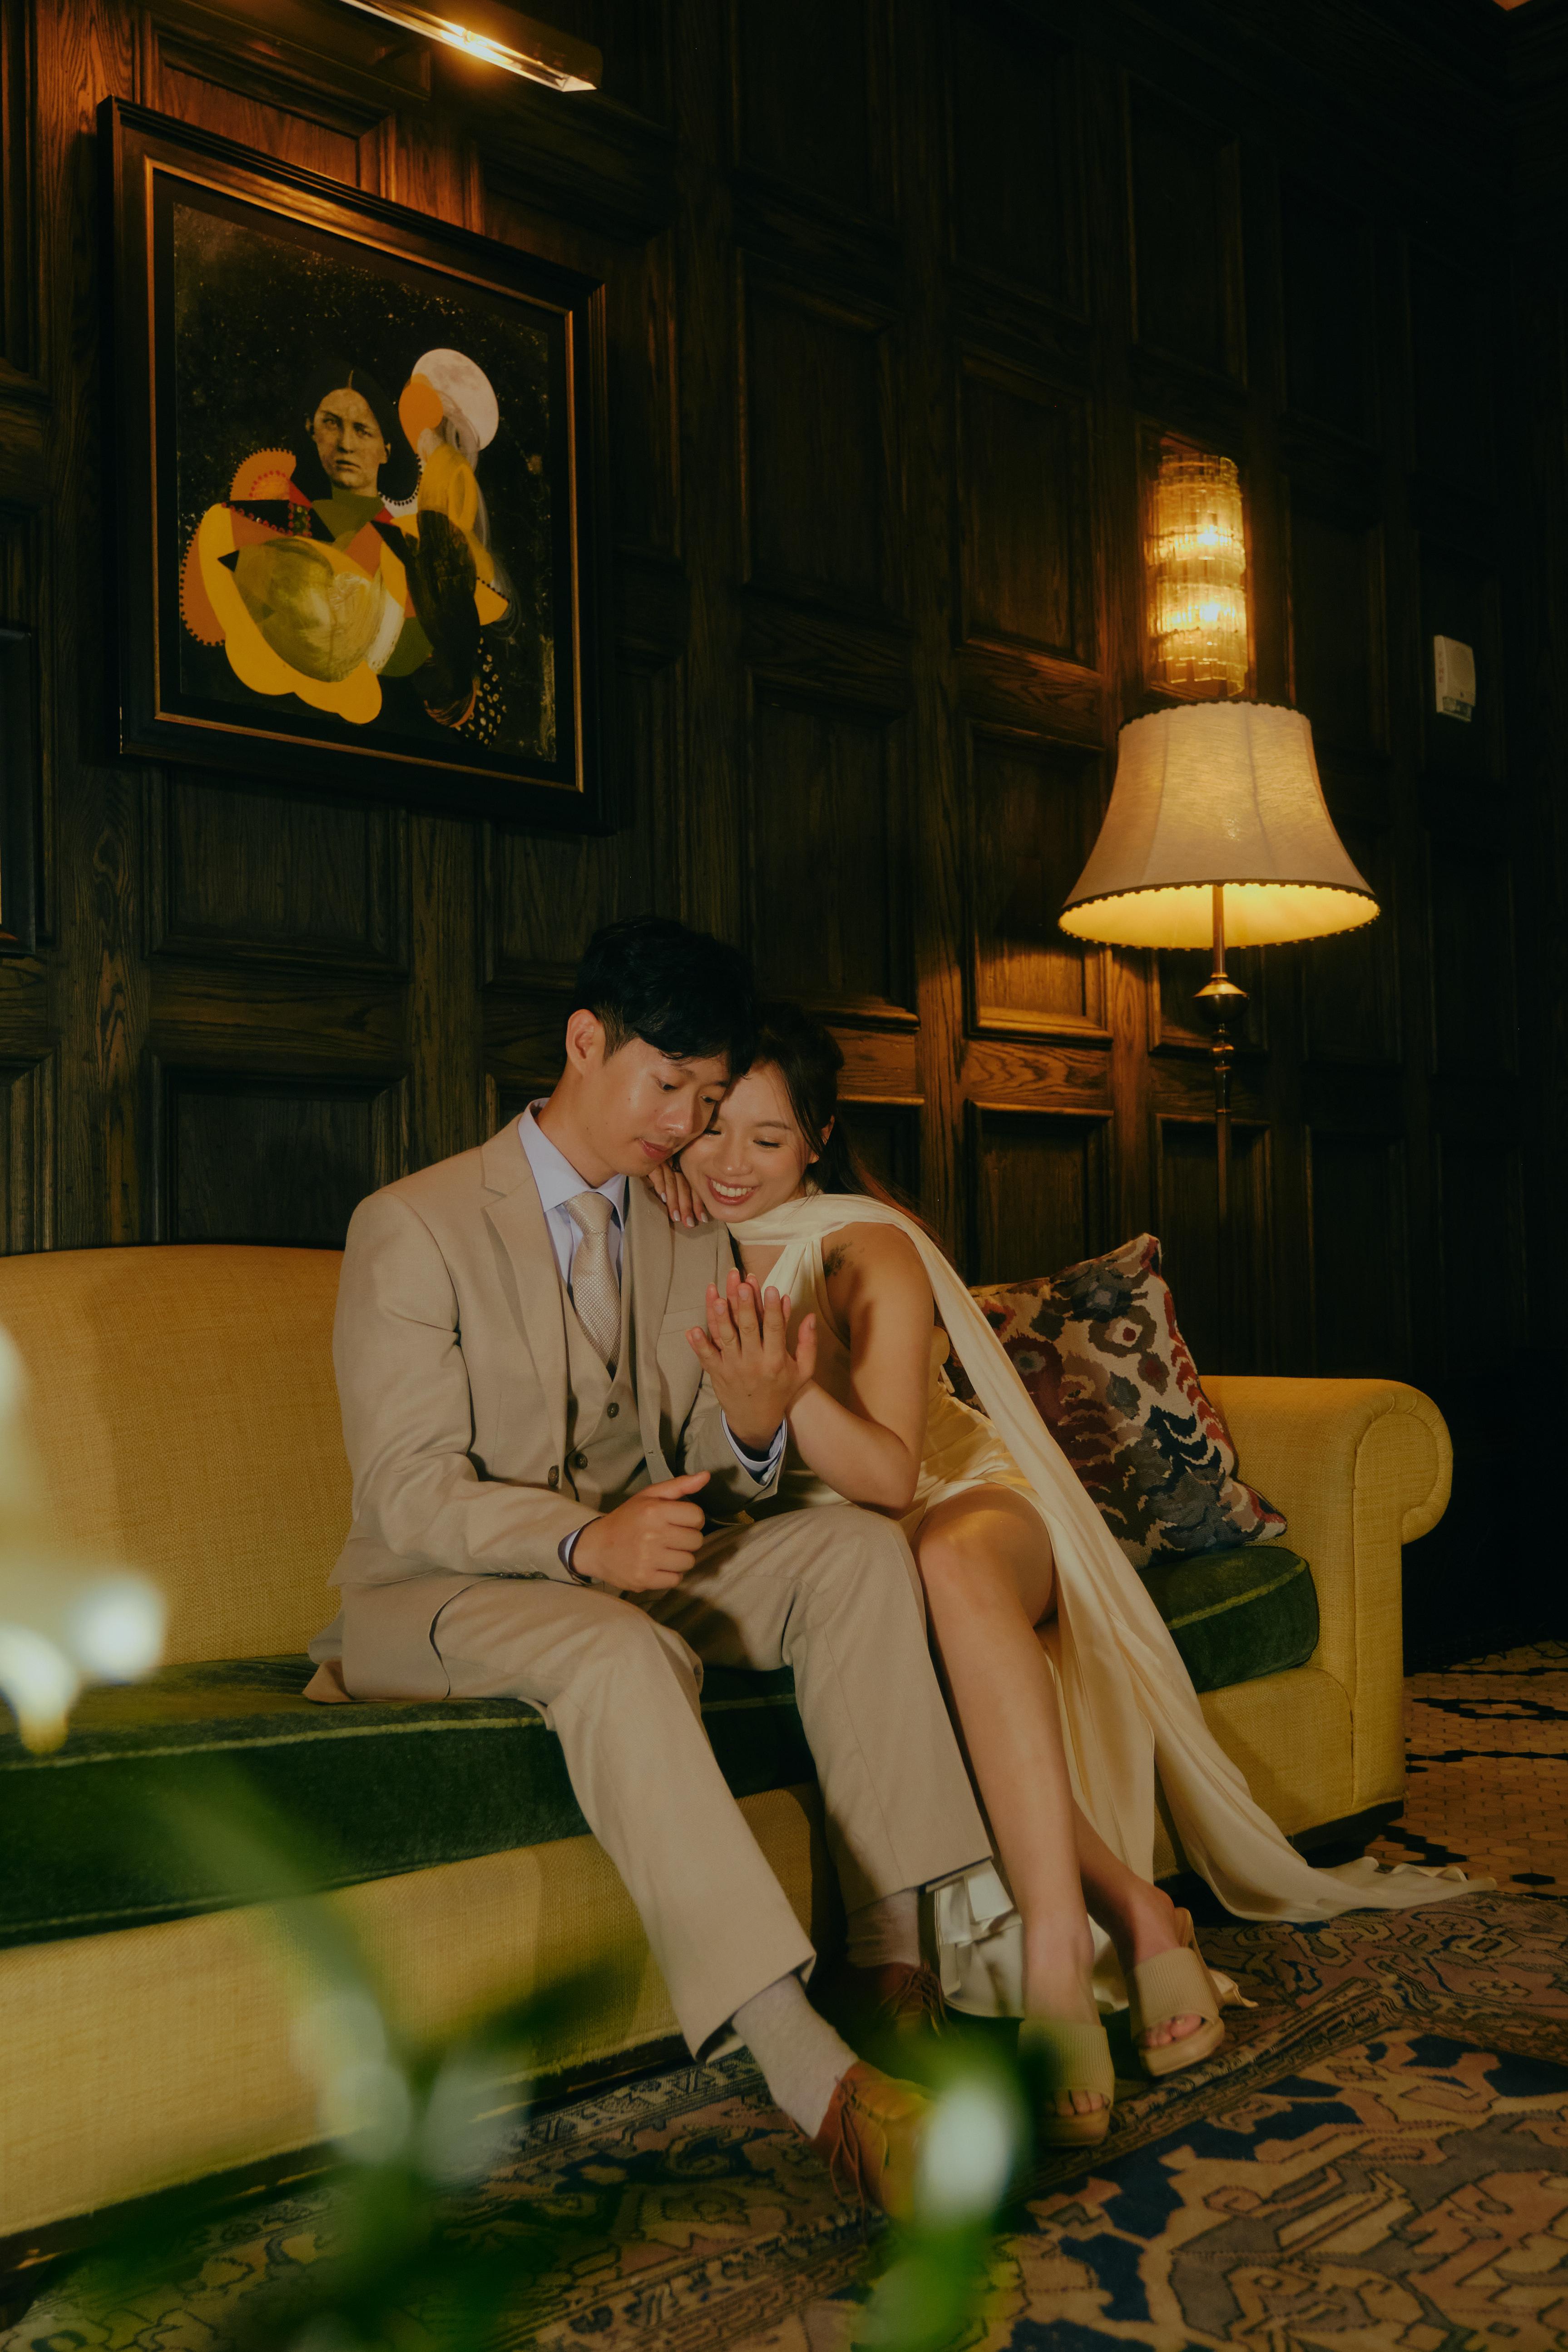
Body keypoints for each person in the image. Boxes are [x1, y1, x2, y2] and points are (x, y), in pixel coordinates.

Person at [652, 1002, 1486, 2144]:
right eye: (711, 1129)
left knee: (944, 1564)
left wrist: (785, 1393)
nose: (731, 1163)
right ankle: (1138, 1912)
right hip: (830, 1557)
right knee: (895, 1608)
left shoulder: (863, 1246)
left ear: (818, 1139)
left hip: (959, 1501)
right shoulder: (663, 1227)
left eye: (767, 1137)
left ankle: (1056, 1957)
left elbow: (892, 1475)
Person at [303, 920, 994, 2214]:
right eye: (667, 1085)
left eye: (708, 1097)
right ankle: (818, 2085)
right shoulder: (412, 1224)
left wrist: (752, 1427)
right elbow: (405, 1491)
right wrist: (581, 1541)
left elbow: (704, 1457)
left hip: (629, 1563)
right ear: (584, 1042)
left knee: (853, 1547)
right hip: (435, 1597)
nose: (685, 1125)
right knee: (621, 1647)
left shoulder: (678, 1224)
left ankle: (895, 1974)